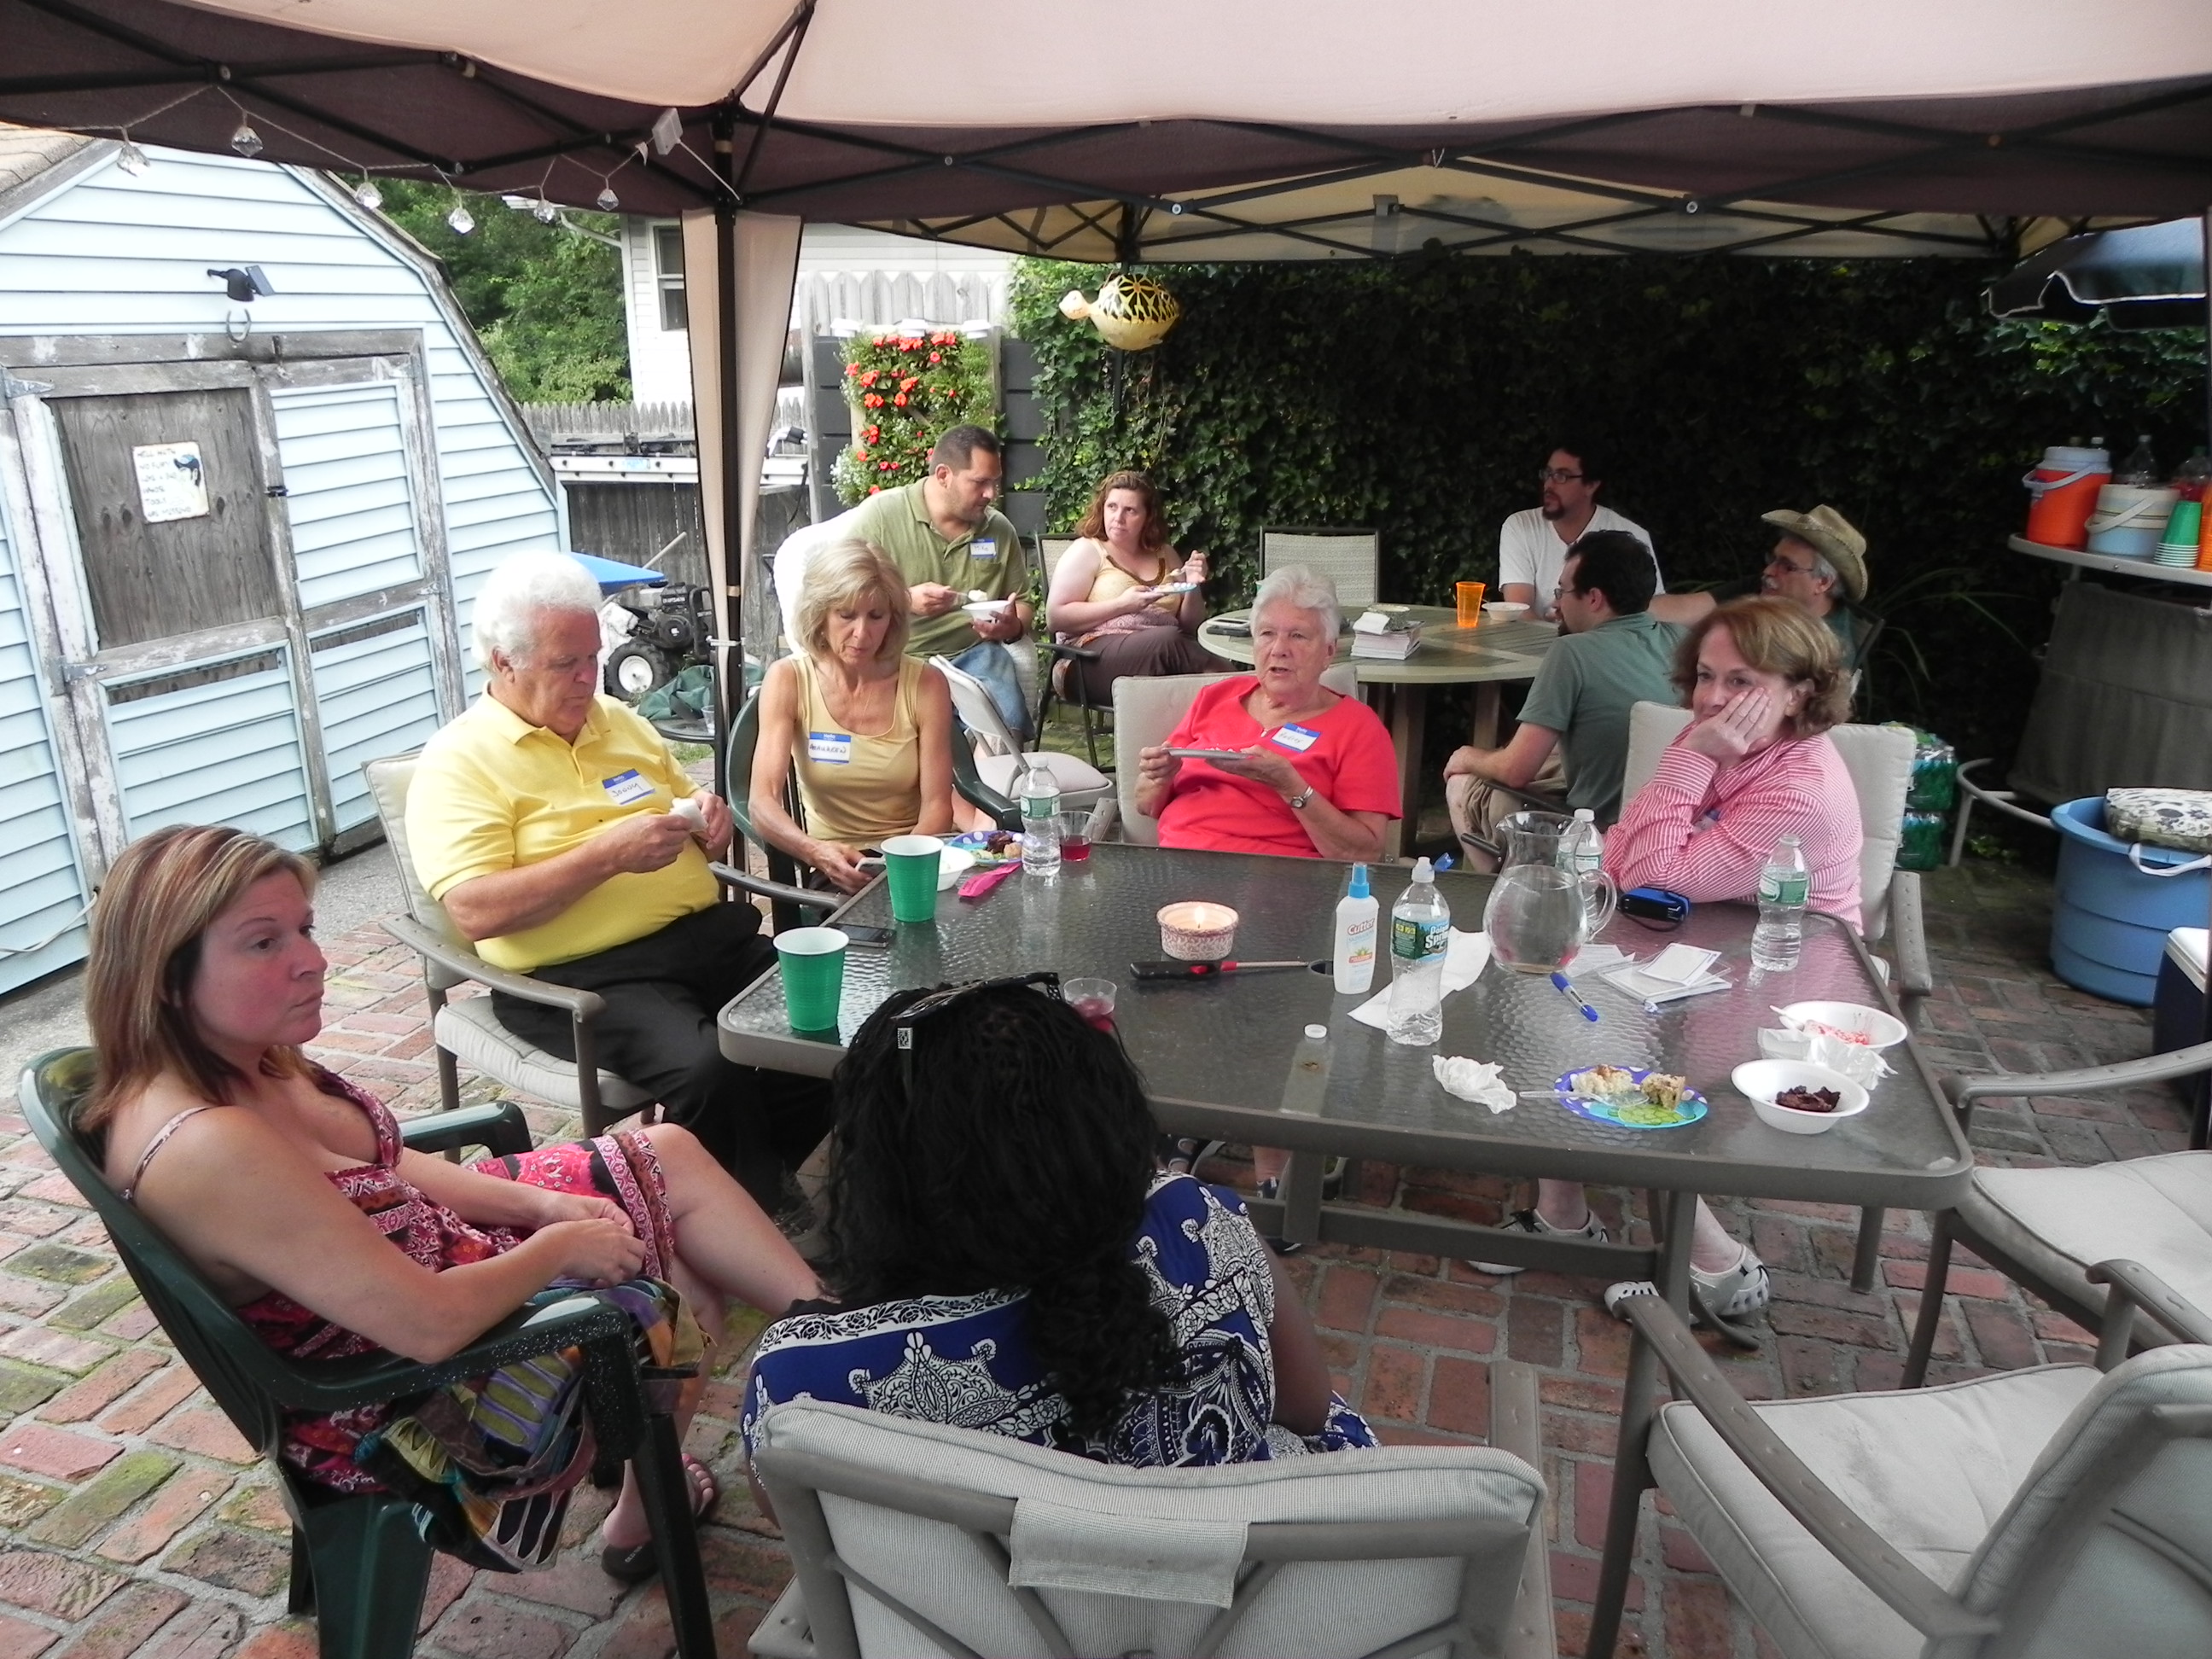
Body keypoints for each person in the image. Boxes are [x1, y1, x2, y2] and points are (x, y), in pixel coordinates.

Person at [78, 824, 819, 1580]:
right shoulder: (209, 1147)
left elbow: (387, 1161)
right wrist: (558, 1249)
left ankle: (829, 1333)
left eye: (305, 929)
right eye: (263, 943)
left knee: (668, 1153)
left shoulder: (238, 1056)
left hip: (433, 1259)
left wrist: (539, 1209)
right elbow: (428, 1326)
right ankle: (667, 1499)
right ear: (164, 973)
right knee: (682, 1290)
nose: (312, 960)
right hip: (412, 1402)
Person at [740, 977, 1376, 1468]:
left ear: (885, 1174)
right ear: (1101, 1124)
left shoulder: (800, 1383)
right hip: (1236, 1585)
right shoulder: (1202, 1225)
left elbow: (797, 1518)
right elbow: (1308, 1409)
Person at [405, 551, 831, 1214]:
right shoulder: (458, 764)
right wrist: (605, 857)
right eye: (565, 664)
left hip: (705, 942)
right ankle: (744, 1216)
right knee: (710, 1070)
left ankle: (754, 1176)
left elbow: (686, 805)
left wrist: (708, 819)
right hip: (582, 979)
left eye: (593, 657)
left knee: (831, 1021)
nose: (588, 677)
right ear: (503, 663)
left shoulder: (620, 721)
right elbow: (475, 911)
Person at [1490, 598, 1861, 1323]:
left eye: (1742, 681)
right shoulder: (1719, 739)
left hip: (1780, 977)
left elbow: (1653, 871)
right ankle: (1564, 1214)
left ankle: (1719, 1264)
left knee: (1606, 1043)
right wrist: (1689, 767)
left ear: (1799, 693)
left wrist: (1687, 763)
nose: (1713, 698)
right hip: (1688, 943)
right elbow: (1624, 847)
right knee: (1545, 993)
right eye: (1706, 676)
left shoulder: (1799, 790)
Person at [1444, 530, 1680, 867]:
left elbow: (1515, 771)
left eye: (1562, 592)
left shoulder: (1572, 652)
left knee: (1461, 782)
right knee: (1552, 754)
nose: (1556, 605)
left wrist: (1466, 757)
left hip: (1595, 834)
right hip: (1670, 825)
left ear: (1594, 598)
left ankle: (1500, 889)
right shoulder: (1684, 641)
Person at [1135, 566, 1399, 863]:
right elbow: (1145, 804)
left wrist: (1292, 787)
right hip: (1179, 864)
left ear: (1328, 652)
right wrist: (1160, 777)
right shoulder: (1216, 698)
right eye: (1267, 634)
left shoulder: (1358, 727)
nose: (1279, 649)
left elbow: (1365, 852)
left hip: (1280, 876)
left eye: (1298, 636)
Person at [748, 540, 958, 894]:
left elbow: (938, 807)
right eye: (846, 615)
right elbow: (761, 801)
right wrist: (815, 852)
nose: (862, 634)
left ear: (893, 619)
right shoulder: (789, 679)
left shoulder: (926, 683)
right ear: (820, 614)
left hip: (912, 851)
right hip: (834, 863)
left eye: (876, 616)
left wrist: (900, 866)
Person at [846, 424, 1034, 739]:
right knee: (928, 733)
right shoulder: (881, 517)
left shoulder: (999, 530)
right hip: (899, 656)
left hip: (974, 653)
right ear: (944, 475)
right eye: (980, 482)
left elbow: (1024, 602)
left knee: (1005, 723)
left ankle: (990, 770)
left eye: (995, 483)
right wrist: (905, 600)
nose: (991, 494)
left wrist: (1011, 627)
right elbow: (842, 595)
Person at [1045, 469, 1227, 700]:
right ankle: (1234, 687)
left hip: (1162, 656)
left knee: (1177, 661)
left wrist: (1193, 585)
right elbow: (1055, 618)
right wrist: (1123, 605)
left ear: (1148, 517)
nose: (1118, 517)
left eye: (1130, 510)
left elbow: (1190, 626)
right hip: (1086, 659)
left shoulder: (1165, 554)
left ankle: (1229, 696)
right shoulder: (1088, 550)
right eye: (1112, 507)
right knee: (1169, 642)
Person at [1650, 505, 1875, 670]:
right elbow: (1686, 607)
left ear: (1823, 582)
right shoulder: (1770, 590)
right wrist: (1630, 605)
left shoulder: (1826, 648)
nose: (1768, 571)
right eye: (1773, 559)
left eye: (1787, 566)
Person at [1497, 440, 1662, 623]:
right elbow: (1519, 609)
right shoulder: (1521, 526)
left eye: (1562, 476)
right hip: (1538, 640)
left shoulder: (1630, 536)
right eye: (1548, 474)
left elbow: (1647, 610)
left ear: (1591, 485)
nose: (1549, 484)